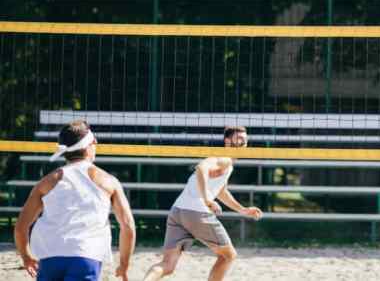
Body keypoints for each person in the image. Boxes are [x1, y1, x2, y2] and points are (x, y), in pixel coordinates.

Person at [14, 120, 135, 280]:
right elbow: (128, 227)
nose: (96, 143)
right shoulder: (108, 181)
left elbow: (21, 227)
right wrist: (124, 264)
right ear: (87, 146)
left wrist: (27, 257)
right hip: (86, 255)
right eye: (94, 141)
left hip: (50, 257)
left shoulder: (47, 182)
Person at [143, 126, 263, 281]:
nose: (244, 141)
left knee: (167, 265)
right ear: (227, 141)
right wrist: (207, 199)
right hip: (196, 212)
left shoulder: (227, 163)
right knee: (228, 256)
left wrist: (242, 210)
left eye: (245, 138)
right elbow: (201, 168)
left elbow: (221, 191)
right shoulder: (224, 158)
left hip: (178, 211)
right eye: (239, 138)